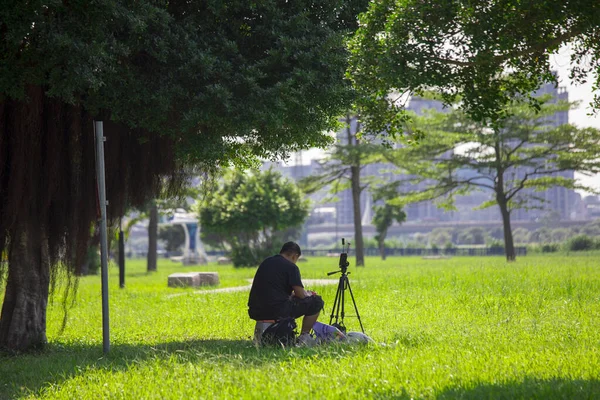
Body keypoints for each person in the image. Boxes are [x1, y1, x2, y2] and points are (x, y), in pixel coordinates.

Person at [248, 241, 324, 345]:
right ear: (294, 256)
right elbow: (301, 295)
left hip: (256, 310)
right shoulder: (291, 267)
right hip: (276, 311)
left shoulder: (267, 262)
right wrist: (309, 294)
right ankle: (304, 337)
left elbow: (273, 288)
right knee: (316, 301)